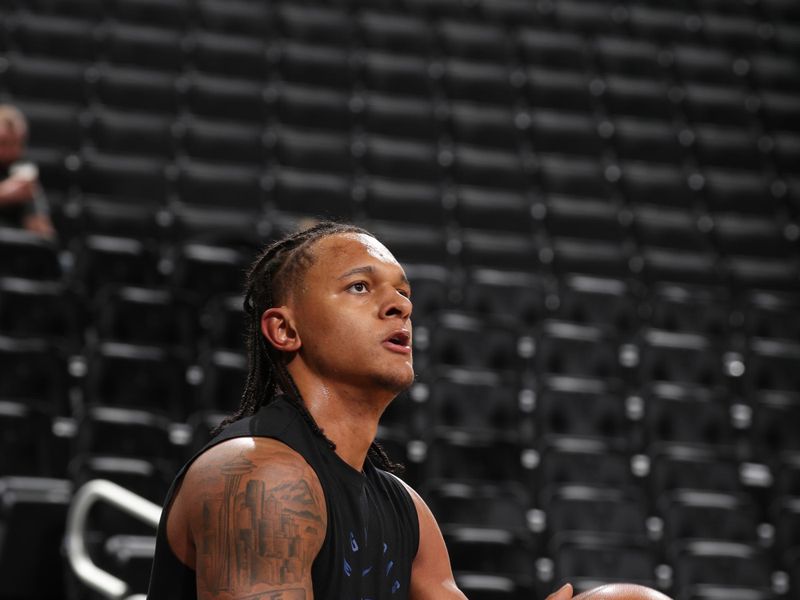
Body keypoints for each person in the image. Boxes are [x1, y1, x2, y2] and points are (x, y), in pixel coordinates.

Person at [148, 221, 575, 600]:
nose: (401, 307)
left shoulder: (407, 510)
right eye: (360, 286)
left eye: (404, 293)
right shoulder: (256, 476)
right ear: (284, 329)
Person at [0, 104, 55, 238]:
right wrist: (4, 195)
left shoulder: (21, 175)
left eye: (17, 144)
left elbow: (45, 237)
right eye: (3, 143)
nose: (10, 152)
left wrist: (33, 213)